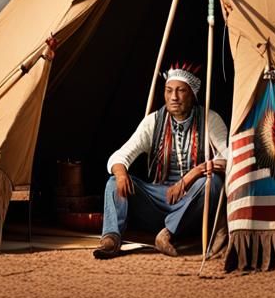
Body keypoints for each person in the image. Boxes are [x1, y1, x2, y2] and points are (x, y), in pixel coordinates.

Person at [94, 63, 227, 259]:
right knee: (114, 182)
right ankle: (111, 239)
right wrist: (121, 173)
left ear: (192, 94)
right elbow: (120, 155)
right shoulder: (154, 121)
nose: (174, 97)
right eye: (169, 90)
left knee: (211, 182)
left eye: (181, 91)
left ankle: (167, 234)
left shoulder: (209, 119)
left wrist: (191, 176)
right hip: (159, 198)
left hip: (191, 203)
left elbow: (228, 155)